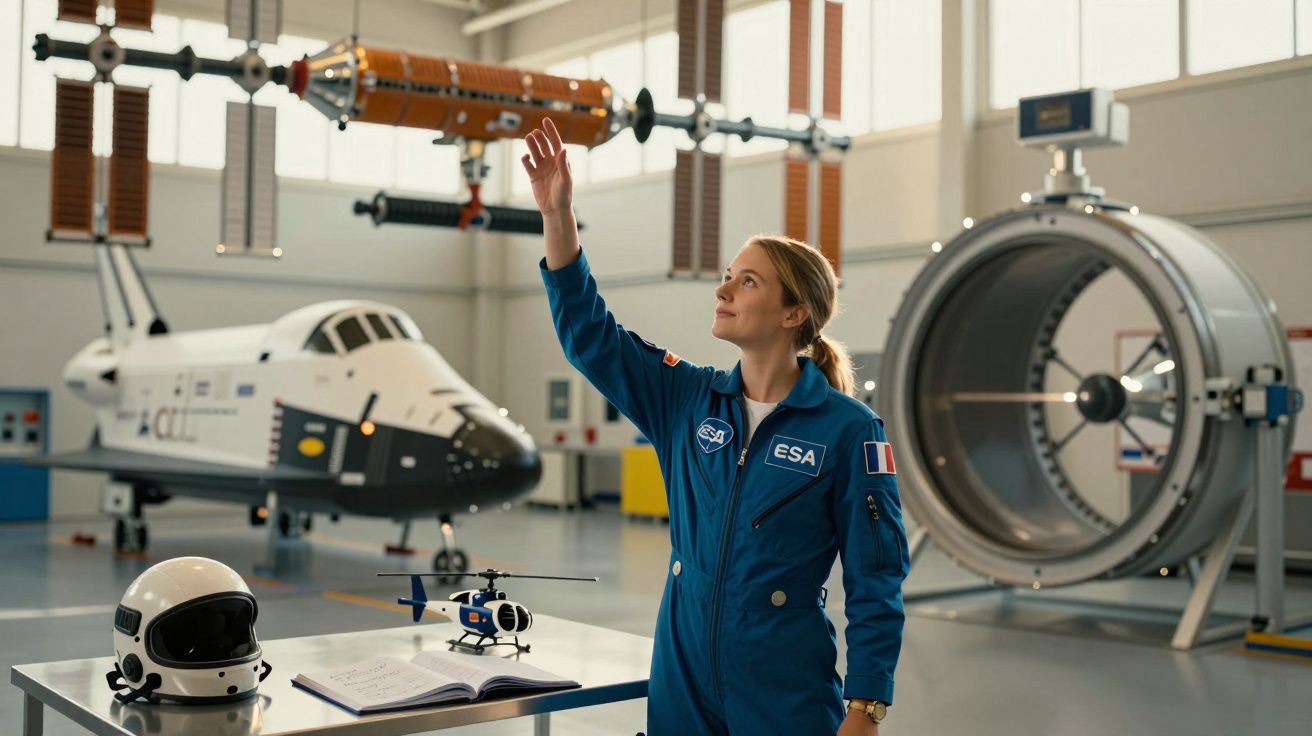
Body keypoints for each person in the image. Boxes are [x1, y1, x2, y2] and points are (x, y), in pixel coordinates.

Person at [522, 118, 908, 735]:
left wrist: (864, 708)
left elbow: (875, 579)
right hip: (682, 672)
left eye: (747, 280)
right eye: (728, 274)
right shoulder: (687, 398)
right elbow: (590, 337)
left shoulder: (849, 431)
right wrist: (557, 215)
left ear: (794, 313)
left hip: (783, 683)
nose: (723, 288)